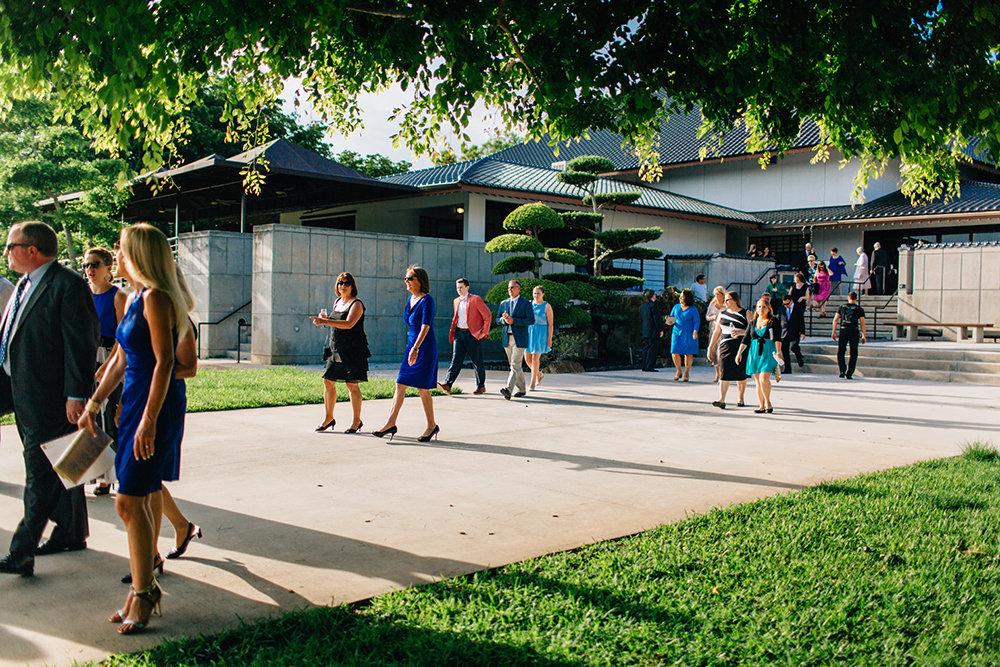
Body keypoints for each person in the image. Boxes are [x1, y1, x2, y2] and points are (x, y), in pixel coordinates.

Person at [79, 222, 193, 634]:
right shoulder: (131, 299)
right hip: (131, 407)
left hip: (154, 409)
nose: (116, 256)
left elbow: (166, 362)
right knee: (139, 500)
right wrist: (94, 403)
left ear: (140, 255)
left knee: (128, 501)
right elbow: (120, 359)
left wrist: (148, 418)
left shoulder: (158, 299)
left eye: (122, 250)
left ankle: (144, 593)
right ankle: (141, 590)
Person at [0, 221, 99, 578]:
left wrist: (77, 393)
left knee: (38, 477)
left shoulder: (68, 285)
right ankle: (72, 533)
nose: (6, 253)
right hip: (21, 392)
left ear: (31, 249)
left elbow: (82, 344)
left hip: (49, 397)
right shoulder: (24, 285)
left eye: (10, 246)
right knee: (66, 465)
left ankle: (21, 552)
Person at [373, 266, 439, 441]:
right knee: (400, 384)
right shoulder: (410, 299)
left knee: (423, 389)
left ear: (419, 280)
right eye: (405, 278)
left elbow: (425, 326)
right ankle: (390, 423)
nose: (406, 282)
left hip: (423, 347)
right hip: (412, 346)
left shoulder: (427, 300)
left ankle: (431, 426)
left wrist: (416, 347)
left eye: (409, 278)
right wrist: (411, 347)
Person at [85, 247, 127, 496]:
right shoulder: (82, 294)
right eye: (87, 265)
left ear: (108, 267)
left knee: (109, 416)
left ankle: (112, 476)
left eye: (95, 264)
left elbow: (123, 337)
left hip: (108, 356)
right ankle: (94, 472)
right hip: (86, 357)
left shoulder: (118, 296)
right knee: (89, 417)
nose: (90, 269)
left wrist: (108, 364)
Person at [311, 272, 370, 433]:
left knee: (352, 385)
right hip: (336, 348)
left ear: (352, 286)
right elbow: (335, 323)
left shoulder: (356, 304)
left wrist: (325, 320)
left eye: (346, 283)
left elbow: (349, 324)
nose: (342, 286)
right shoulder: (337, 302)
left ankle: (356, 421)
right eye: (339, 283)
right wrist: (324, 320)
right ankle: (329, 418)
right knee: (328, 381)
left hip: (353, 349)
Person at [438, 278, 491, 395]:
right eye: (457, 288)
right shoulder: (456, 301)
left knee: (477, 361)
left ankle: (481, 386)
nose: (459, 290)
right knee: (456, 359)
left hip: (472, 334)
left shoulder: (475, 299)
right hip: (459, 333)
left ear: (467, 287)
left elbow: (487, 314)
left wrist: (484, 331)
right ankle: (448, 384)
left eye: (461, 287)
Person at [738, 297, 782, 414]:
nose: (761, 309)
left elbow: (777, 338)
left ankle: (768, 402)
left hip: (769, 351)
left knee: (764, 378)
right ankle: (761, 405)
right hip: (754, 352)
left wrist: (779, 352)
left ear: (768, 309)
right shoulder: (753, 322)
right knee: (758, 381)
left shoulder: (773, 321)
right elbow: (746, 338)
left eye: (764, 307)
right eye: (759, 307)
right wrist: (739, 353)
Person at [709, 292, 749, 409]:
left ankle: (741, 398)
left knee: (740, 373)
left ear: (735, 300)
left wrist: (741, 332)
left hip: (740, 345)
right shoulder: (722, 314)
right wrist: (710, 347)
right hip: (725, 345)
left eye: (727, 300)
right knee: (724, 371)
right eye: (725, 300)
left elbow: (753, 330)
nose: (725, 302)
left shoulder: (745, 313)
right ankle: (722, 399)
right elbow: (717, 332)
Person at [496, 279, 533, 400]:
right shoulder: (504, 303)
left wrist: (514, 321)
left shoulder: (526, 303)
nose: (510, 290)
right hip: (507, 337)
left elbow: (531, 320)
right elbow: (497, 319)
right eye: (508, 288)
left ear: (519, 288)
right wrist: (504, 320)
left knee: (515, 364)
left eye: (512, 287)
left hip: (519, 338)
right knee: (515, 366)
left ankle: (508, 389)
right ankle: (522, 389)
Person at [832, 291, 867, 379]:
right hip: (854, 330)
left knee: (841, 351)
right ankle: (850, 372)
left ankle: (842, 370)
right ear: (856, 299)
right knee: (853, 352)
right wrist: (864, 335)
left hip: (843, 329)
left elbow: (835, 319)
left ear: (848, 298)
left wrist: (834, 331)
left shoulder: (842, 307)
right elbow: (862, 323)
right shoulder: (859, 309)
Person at [525, 285, 554, 390]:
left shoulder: (547, 306)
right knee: (527, 358)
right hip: (529, 331)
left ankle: (532, 383)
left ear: (543, 294)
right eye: (534, 293)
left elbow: (550, 324)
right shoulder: (529, 304)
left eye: (538, 293)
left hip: (540, 333)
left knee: (535, 357)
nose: (536, 295)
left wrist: (549, 339)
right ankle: (538, 374)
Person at [669, 289, 700, 382]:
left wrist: (695, 330)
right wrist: (669, 322)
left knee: (688, 353)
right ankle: (678, 371)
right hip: (677, 332)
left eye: (682, 297)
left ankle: (686, 372)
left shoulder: (693, 309)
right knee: (674, 351)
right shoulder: (676, 307)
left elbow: (696, 321)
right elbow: (671, 318)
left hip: (689, 332)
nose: (680, 298)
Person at [639, 289, 663, 372]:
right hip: (653, 331)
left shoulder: (642, 306)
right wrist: (660, 329)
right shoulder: (653, 305)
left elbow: (641, 319)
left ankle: (644, 365)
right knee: (652, 349)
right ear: (653, 296)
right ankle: (649, 366)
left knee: (646, 349)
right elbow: (656, 319)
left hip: (645, 330)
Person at [705, 286, 726, 382]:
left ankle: (722, 374)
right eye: (715, 295)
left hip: (723, 329)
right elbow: (707, 316)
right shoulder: (712, 304)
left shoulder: (726, 304)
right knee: (713, 350)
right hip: (713, 327)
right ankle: (717, 373)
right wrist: (713, 317)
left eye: (718, 294)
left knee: (720, 351)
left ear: (722, 295)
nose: (716, 296)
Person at [779, 294, 805, 372]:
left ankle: (799, 356)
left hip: (795, 331)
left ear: (791, 301)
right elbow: (779, 320)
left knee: (793, 346)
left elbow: (801, 321)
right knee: (785, 350)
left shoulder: (798, 309)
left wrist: (802, 332)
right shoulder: (781, 309)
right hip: (784, 332)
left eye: (787, 304)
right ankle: (787, 368)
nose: (786, 306)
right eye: (784, 304)